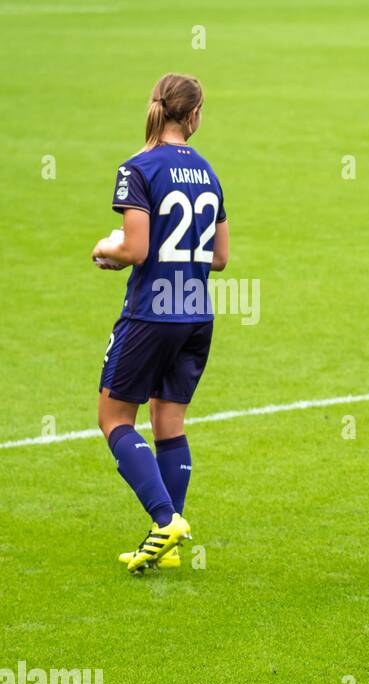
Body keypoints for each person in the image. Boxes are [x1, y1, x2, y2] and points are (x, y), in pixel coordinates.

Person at [92, 73, 228, 574]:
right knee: (168, 421)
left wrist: (105, 249)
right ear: (192, 116)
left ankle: (165, 519)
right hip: (196, 314)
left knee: (114, 419)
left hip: (151, 313)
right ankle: (166, 541)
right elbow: (220, 258)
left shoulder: (139, 168)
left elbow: (135, 250)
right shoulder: (210, 172)